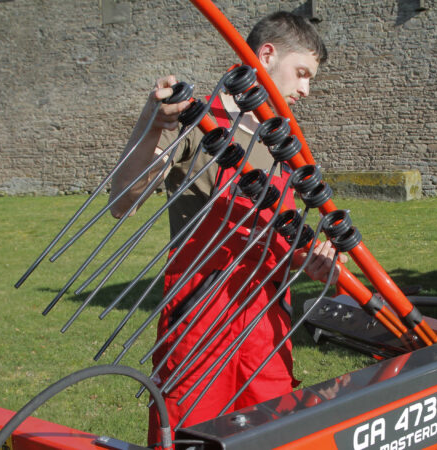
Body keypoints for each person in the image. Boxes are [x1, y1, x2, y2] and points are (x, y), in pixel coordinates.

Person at [107, 11, 347, 445]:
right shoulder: (197, 122)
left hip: (269, 321)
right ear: (266, 54)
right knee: (192, 434)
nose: (306, 90)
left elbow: (282, 237)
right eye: (302, 73)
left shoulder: (284, 143)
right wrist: (151, 125)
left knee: (274, 435)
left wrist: (309, 262)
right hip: (202, 316)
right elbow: (121, 202)